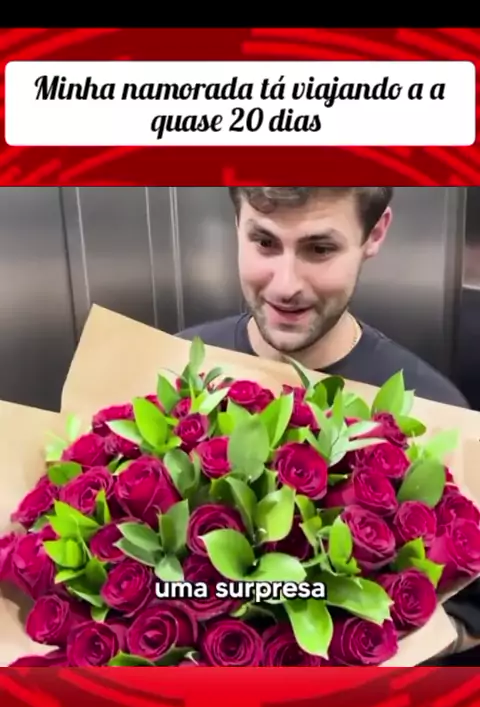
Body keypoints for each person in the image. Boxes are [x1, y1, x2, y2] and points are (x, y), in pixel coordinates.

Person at [177, 186, 478, 663]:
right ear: (236, 224)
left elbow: (468, 615)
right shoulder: (175, 375)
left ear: (374, 234)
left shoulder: (434, 409)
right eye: (264, 242)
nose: (285, 285)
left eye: (319, 249)